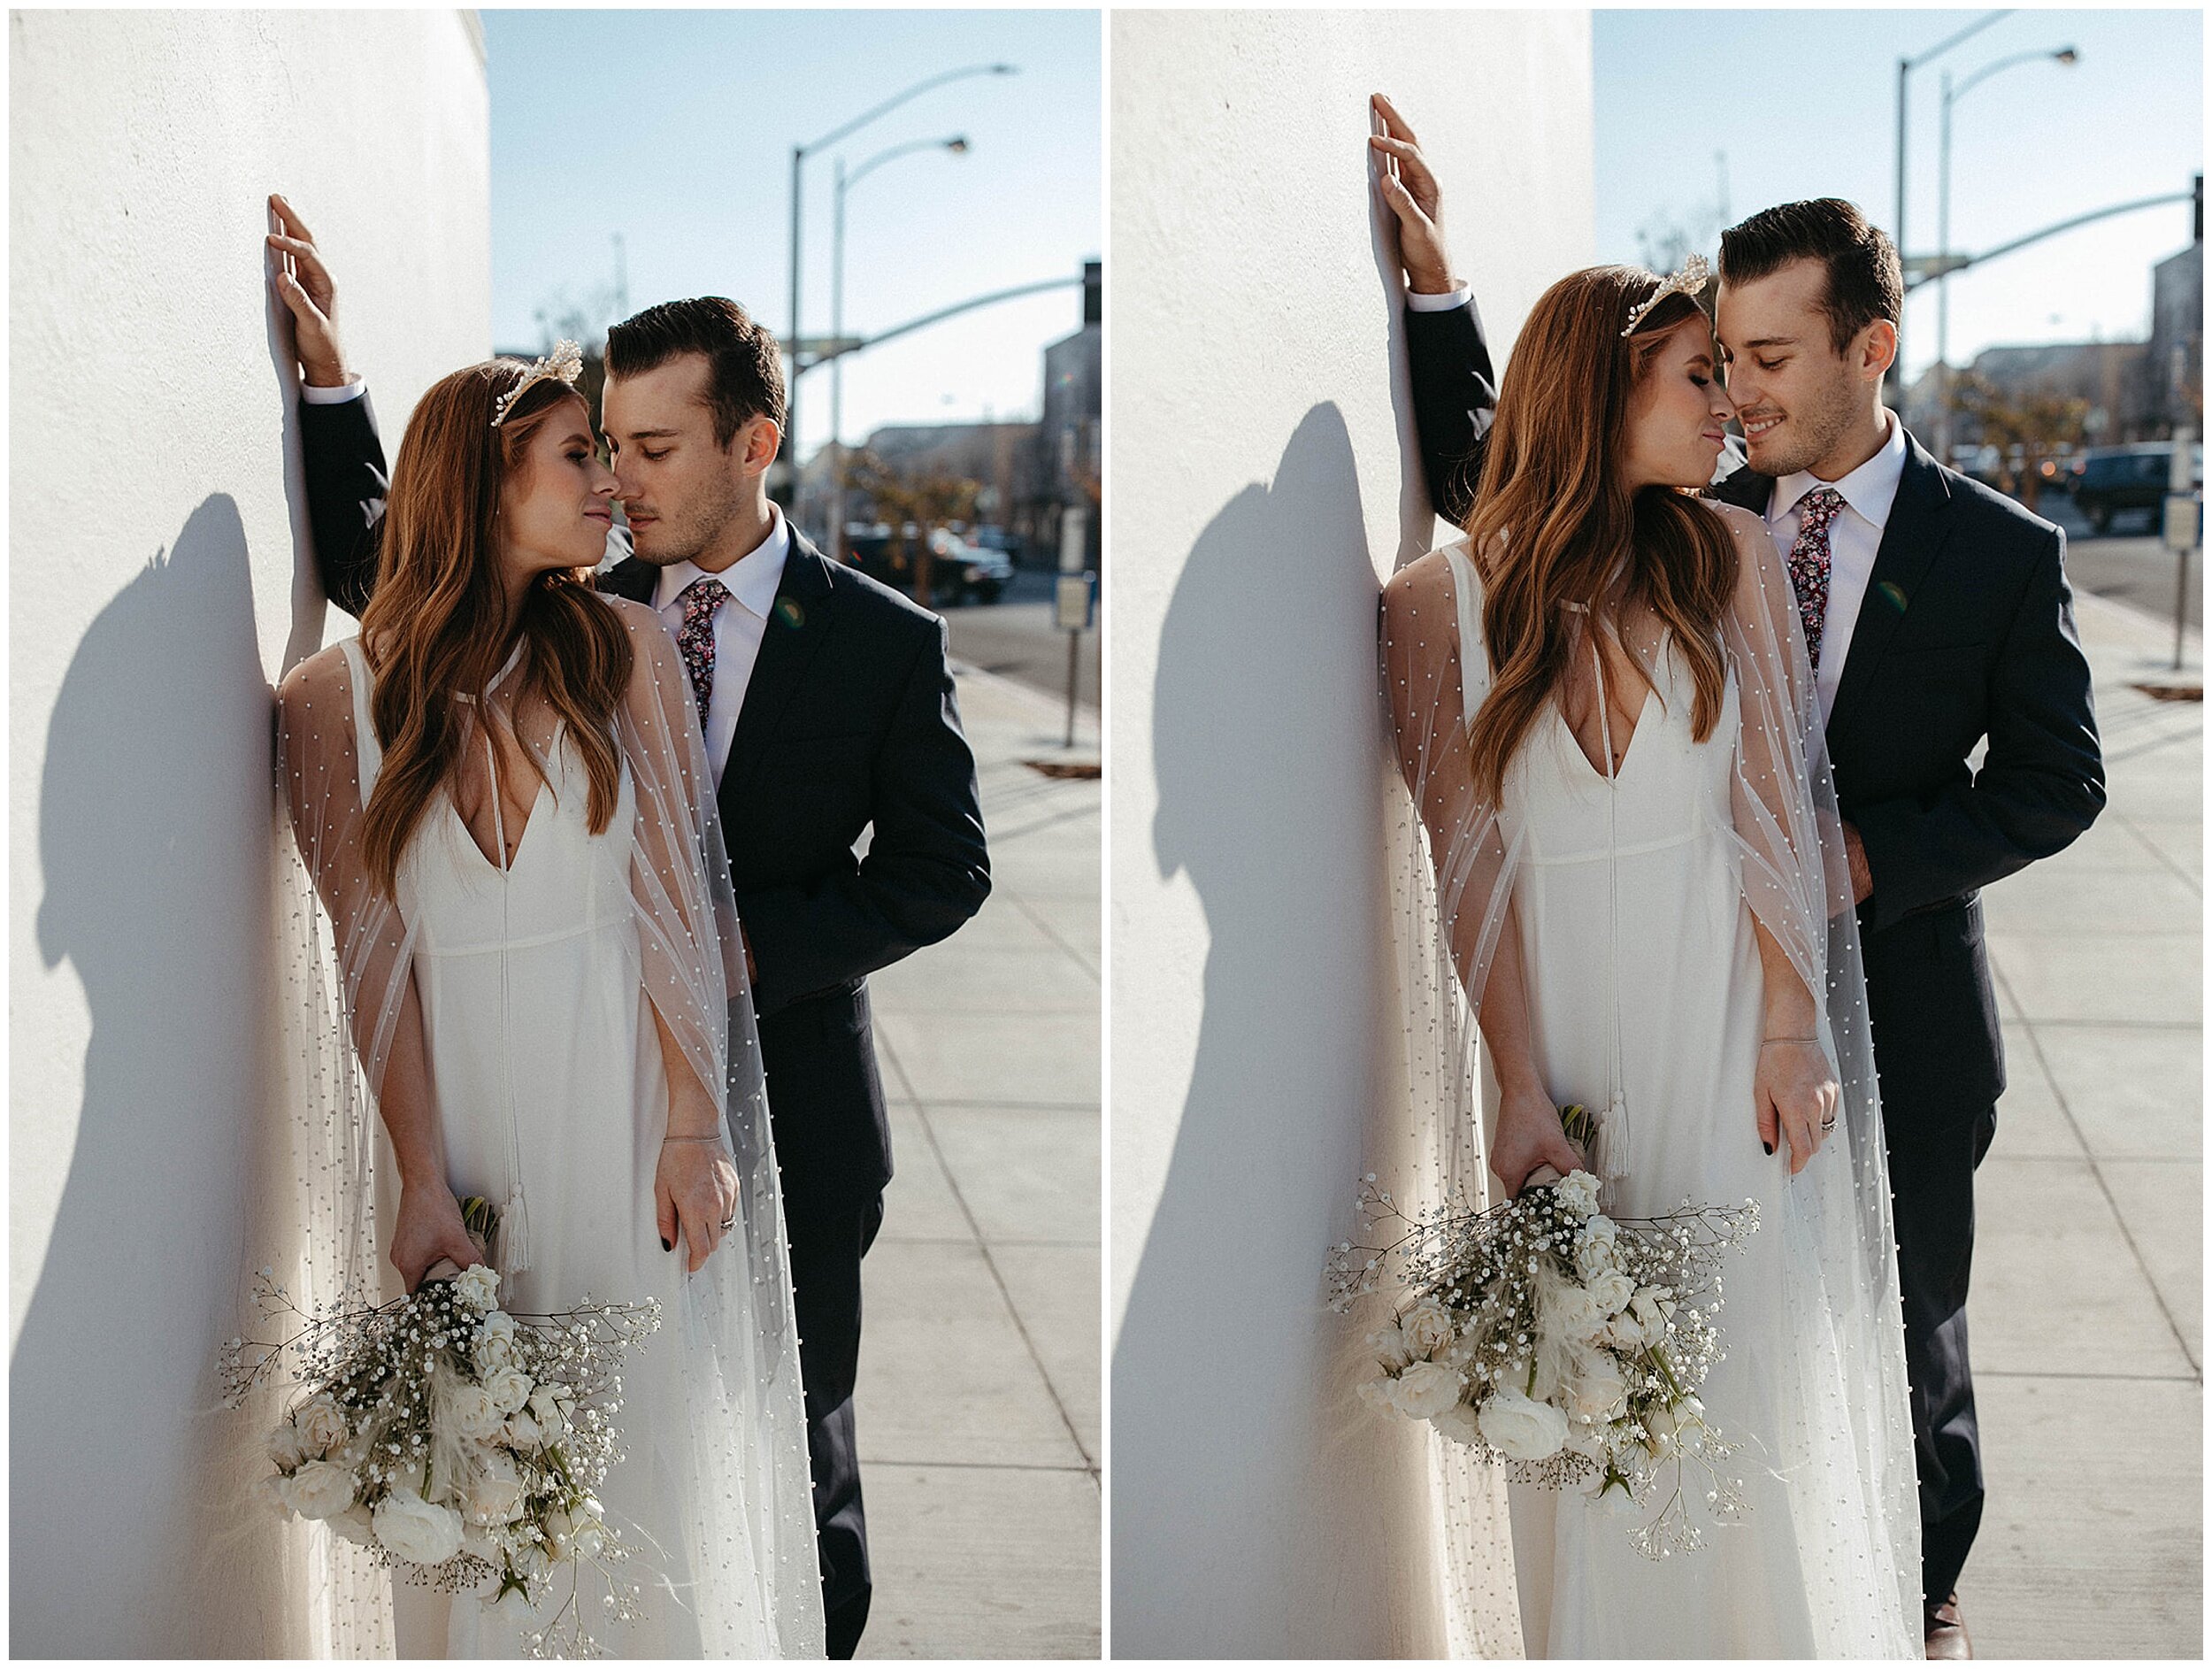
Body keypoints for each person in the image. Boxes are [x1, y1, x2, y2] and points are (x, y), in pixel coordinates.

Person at [1373, 96, 2105, 1658]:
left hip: (1885, 987)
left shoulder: (1997, 551)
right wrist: (1437, 292)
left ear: (1870, 349)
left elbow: (2060, 782)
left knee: (1904, 1339)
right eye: (1724, 362)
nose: (1744, 394)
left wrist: (1852, 864)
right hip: (1642, 1002)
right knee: (1678, 1359)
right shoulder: (1702, 514)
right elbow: (1509, 466)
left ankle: (1909, 1595)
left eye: (1768, 360)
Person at [268, 196, 993, 1659]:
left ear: (750, 446)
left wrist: (731, 966)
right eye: (599, 444)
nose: (621, 479)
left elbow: (942, 868)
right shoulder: (571, 611)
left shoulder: (868, 640)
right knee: (503, 1474)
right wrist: (330, 387)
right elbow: (400, 558)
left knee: (793, 1455)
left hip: (757, 1091)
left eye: (649, 449)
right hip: (497, 1111)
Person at [1374, 225, 1926, 1652]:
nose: (1729, 406)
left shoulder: (1726, 553)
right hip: (1575, 1047)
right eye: (1697, 375)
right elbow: (1467, 863)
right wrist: (1512, 1080)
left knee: (1744, 1374)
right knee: (1593, 1392)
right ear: (1606, 394)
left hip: (1730, 1030)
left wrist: (1796, 1028)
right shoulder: (1436, 608)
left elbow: (1774, 819)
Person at [273, 345, 823, 1656]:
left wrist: (696, 1124)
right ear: (480, 479)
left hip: (625, 1121)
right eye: (579, 453)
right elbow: (372, 968)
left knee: (643, 1457)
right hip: (457, 1127)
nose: (612, 482)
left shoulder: (617, 643)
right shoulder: (323, 701)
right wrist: (418, 1177)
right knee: (476, 1483)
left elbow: (674, 908)